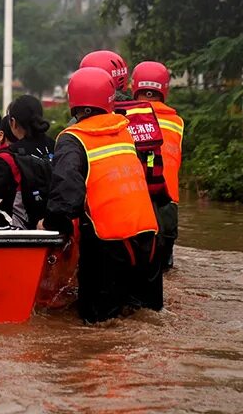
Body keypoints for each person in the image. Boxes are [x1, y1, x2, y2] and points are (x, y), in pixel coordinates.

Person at [42, 66, 161, 323]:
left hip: (108, 243)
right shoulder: (125, 130)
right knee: (145, 319)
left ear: (73, 102)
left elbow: (65, 199)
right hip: (149, 239)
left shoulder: (73, 139)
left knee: (98, 328)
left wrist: (50, 226)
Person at [130, 61, 185, 271]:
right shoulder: (177, 122)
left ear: (134, 86)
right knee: (163, 268)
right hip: (168, 202)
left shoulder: (124, 117)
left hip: (138, 199)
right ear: (164, 89)